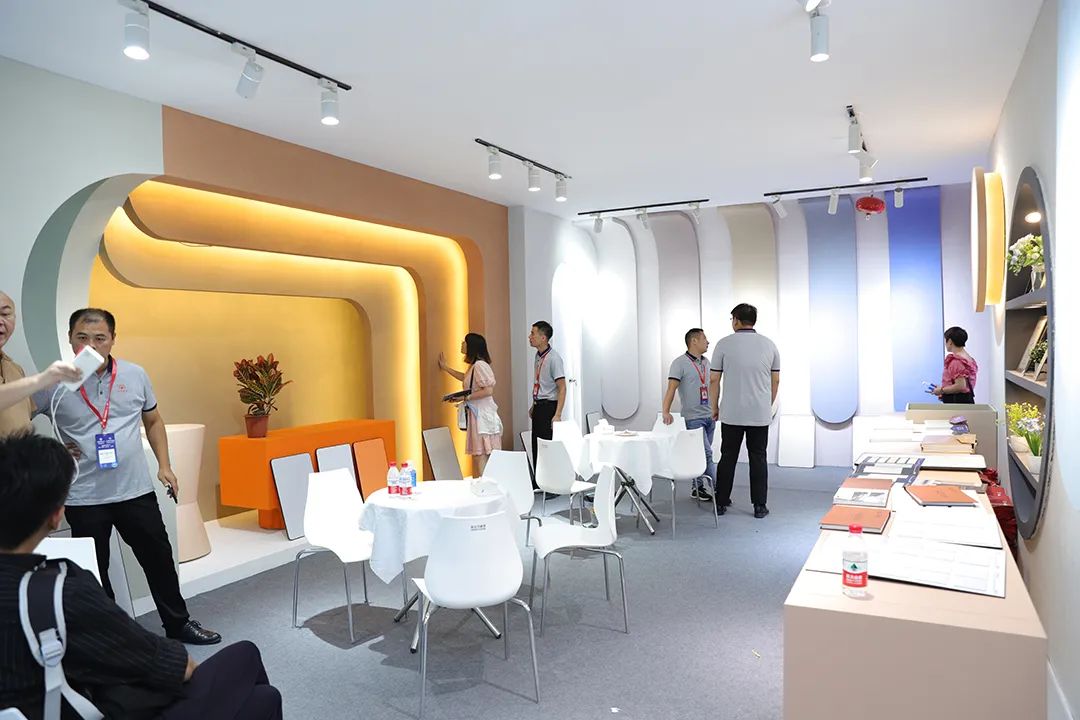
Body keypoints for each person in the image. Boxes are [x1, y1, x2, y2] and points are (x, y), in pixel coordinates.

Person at [0, 430, 282, 720]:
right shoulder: (61, 591)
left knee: (263, 701)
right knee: (246, 655)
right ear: (56, 515)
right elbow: (177, 667)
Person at [32, 308, 220, 645]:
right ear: (70, 339)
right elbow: (14, 420)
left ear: (113, 340)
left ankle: (178, 624)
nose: (91, 345)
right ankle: (111, 637)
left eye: (100, 338)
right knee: (94, 572)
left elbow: (154, 421)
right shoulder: (53, 384)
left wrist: (165, 465)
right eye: (82, 337)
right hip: (84, 496)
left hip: (135, 490)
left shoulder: (134, 375)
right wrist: (51, 451)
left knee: (159, 560)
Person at [709, 303, 780, 519]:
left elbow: (714, 379)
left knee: (728, 456)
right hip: (759, 413)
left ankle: (721, 502)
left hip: (732, 412)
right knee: (758, 458)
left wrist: (714, 406)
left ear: (736, 320)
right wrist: (766, 404)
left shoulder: (723, 344)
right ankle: (759, 505)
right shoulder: (769, 345)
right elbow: (776, 380)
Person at [0, 290, 82, 435]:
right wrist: (40, 380)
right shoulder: (35, 382)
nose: (1, 321)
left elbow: (22, 421)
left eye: (5, 314)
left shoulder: (14, 369)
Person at [662, 328, 715, 501]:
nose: (708, 342)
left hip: (709, 416)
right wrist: (665, 411)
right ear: (694, 341)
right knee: (707, 454)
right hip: (693, 418)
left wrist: (715, 408)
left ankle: (697, 488)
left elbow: (712, 386)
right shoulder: (679, 363)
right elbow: (671, 389)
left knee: (700, 455)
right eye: (704, 338)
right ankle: (719, 491)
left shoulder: (707, 362)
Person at [438, 333, 503, 474]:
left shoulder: (479, 365)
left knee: (481, 454)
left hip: (482, 416)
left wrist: (466, 398)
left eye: (464, 342)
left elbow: (488, 390)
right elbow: (466, 378)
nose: (462, 344)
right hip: (479, 414)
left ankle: (485, 483)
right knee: (481, 453)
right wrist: (446, 368)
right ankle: (485, 482)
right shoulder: (474, 366)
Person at [528, 321, 565, 489]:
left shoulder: (554, 359)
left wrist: (557, 414)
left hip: (549, 406)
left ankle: (551, 484)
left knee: (547, 446)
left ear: (543, 338)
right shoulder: (538, 356)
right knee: (537, 445)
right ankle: (539, 482)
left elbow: (562, 387)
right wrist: (534, 404)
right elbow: (540, 383)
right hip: (539, 406)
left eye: (533, 333)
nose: (530, 337)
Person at [934, 326, 978, 404]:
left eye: (945, 341)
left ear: (950, 341)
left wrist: (941, 390)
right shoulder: (969, 359)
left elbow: (960, 386)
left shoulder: (956, 361)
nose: (945, 344)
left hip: (956, 402)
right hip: (966, 400)